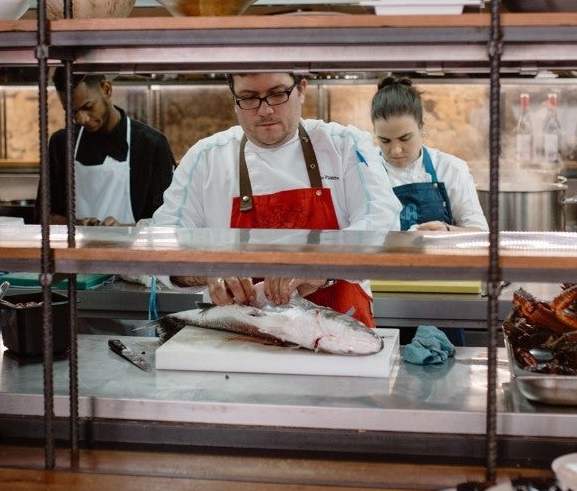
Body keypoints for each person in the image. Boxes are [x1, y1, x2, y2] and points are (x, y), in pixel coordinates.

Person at [153, 71, 401, 327]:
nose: (265, 110)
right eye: (249, 98)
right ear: (233, 99)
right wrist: (206, 271)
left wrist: (320, 266)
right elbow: (162, 242)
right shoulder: (205, 158)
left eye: (277, 94)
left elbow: (385, 225)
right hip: (241, 339)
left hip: (337, 333)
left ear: (301, 89)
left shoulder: (345, 146)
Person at [39, 69, 175, 226]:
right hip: (75, 250)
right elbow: (44, 217)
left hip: (134, 250)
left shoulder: (152, 145)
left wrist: (124, 230)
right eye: (72, 112)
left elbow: (169, 221)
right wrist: (77, 224)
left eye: (88, 107)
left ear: (106, 89)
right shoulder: (61, 144)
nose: (81, 119)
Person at [370, 75, 488, 233]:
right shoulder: (365, 170)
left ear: (421, 127)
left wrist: (446, 231)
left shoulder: (451, 168)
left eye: (405, 138)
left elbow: (480, 233)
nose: (396, 150)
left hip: (438, 256)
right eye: (385, 141)